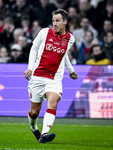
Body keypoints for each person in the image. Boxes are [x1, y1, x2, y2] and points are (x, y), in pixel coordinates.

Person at [24, 9, 77, 143]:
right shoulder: (44, 32)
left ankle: (44, 134)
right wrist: (30, 68)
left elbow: (63, 55)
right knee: (35, 112)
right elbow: (34, 49)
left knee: (53, 102)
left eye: (57, 21)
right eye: (53, 21)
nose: (54, 23)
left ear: (65, 22)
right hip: (38, 77)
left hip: (54, 79)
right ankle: (33, 127)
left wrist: (70, 70)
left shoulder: (70, 38)